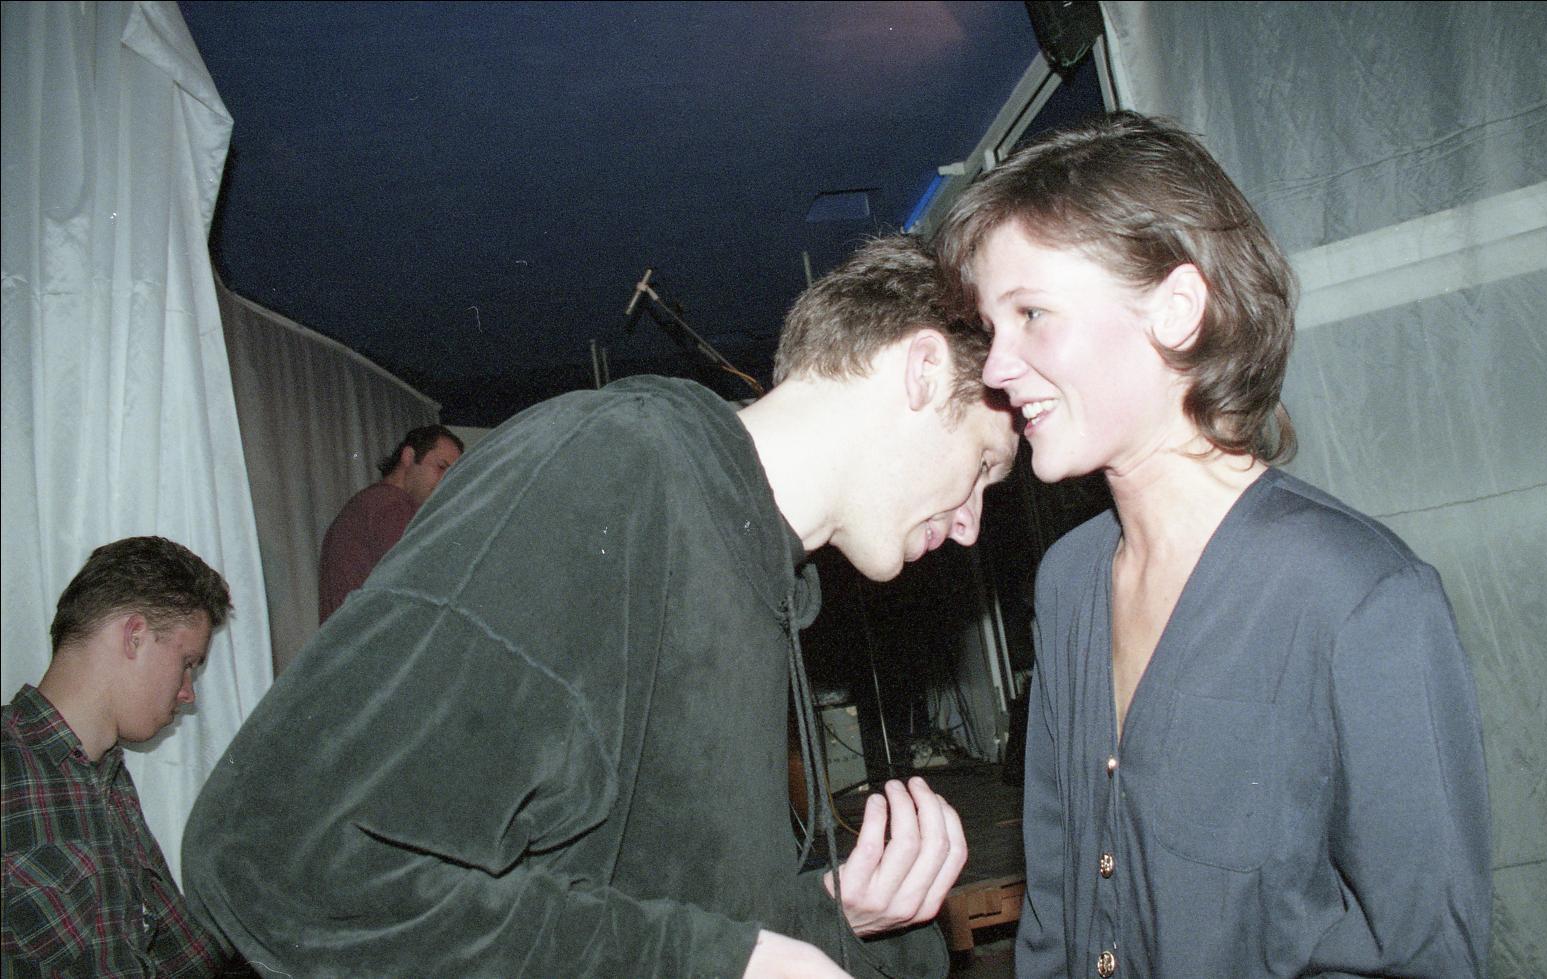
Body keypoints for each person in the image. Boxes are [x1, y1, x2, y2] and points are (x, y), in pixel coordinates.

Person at [182, 235, 1019, 978]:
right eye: (984, 464)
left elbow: (644, 904)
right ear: (921, 370)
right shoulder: (613, 472)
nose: (971, 524)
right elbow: (283, 857)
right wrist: (724, 961)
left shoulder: (755, 576)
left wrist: (832, 912)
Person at [935, 111, 1491, 978]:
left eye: (1032, 314)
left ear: (1176, 311)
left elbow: (1426, 953)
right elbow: (1055, 901)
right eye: (991, 327)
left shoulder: (1357, 593)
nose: (997, 369)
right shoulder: (1069, 578)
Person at [2, 536, 238, 977]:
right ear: (134, 636)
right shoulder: (10, 769)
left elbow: (189, 959)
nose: (188, 693)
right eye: (187, 663)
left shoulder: (110, 780)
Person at [317, 423, 464, 622]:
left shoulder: (370, 503)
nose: (446, 482)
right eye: (441, 467)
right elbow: (415, 585)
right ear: (409, 457)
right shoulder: (393, 505)